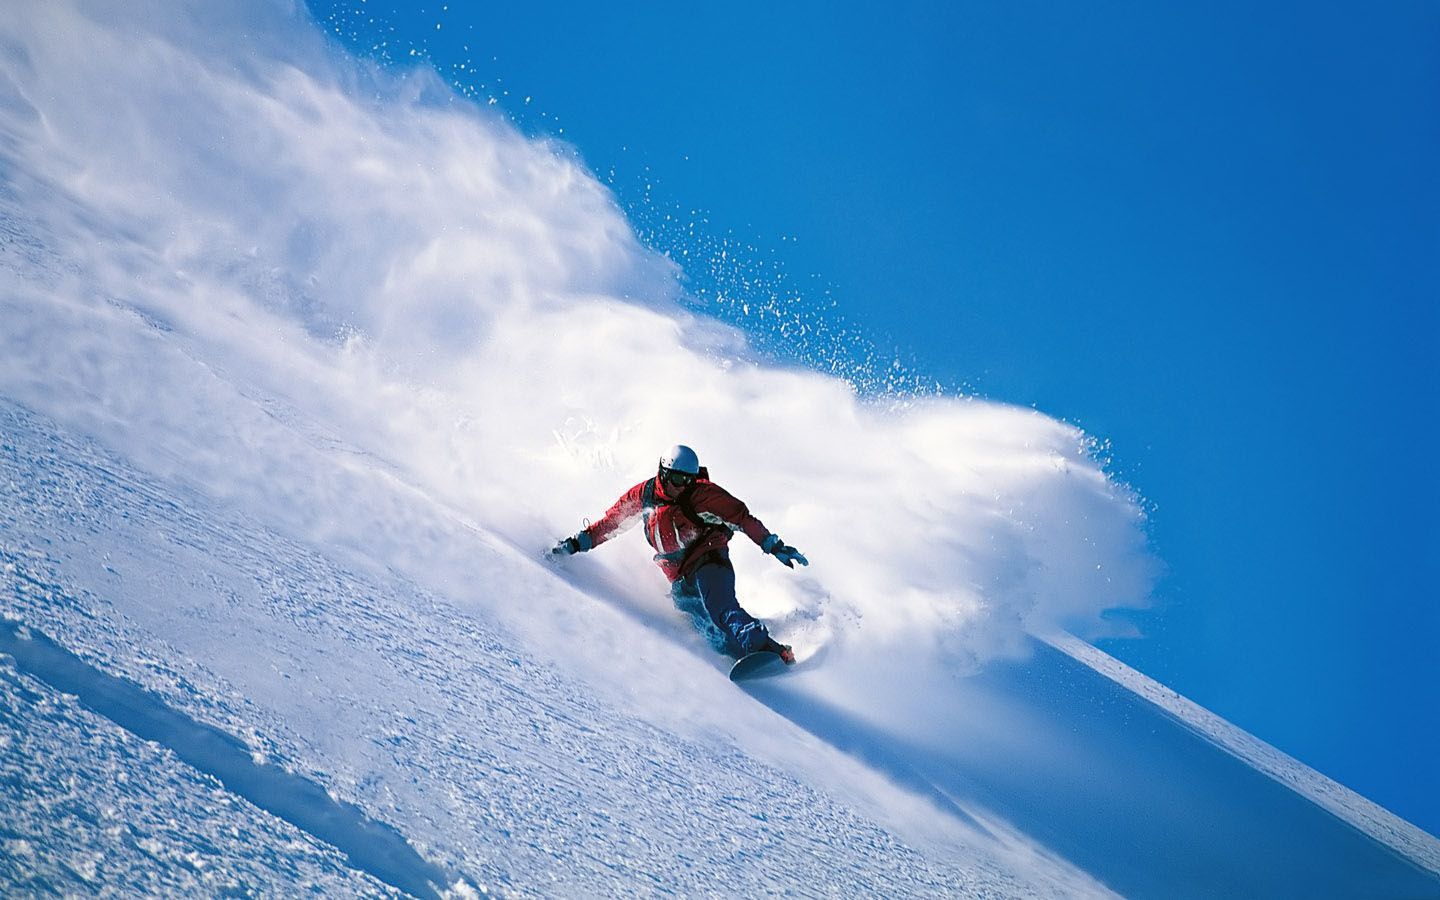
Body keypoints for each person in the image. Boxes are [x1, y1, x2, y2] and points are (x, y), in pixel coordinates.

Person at [552, 444, 808, 664]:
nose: (682, 487)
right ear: (663, 472)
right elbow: (611, 523)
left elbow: (741, 518)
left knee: (721, 607)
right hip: (679, 576)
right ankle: (745, 657)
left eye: (688, 481)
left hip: (709, 557)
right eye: (677, 480)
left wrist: (773, 545)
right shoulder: (644, 495)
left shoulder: (702, 494)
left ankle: (770, 650)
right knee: (709, 631)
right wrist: (577, 543)